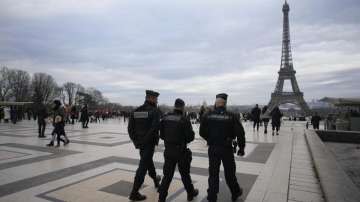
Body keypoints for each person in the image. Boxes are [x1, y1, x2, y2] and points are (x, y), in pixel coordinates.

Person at [200, 93, 246, 202]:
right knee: (230, 173)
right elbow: (240, 133)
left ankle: (212, 197)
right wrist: (241, 148)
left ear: (216, 102)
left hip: (213, 148)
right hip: (226, 148)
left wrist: (209, 139)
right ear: (225, 103)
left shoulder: (208, 115)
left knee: (213, 174)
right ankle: (235, 193)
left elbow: (201, 132)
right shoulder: (232, 116)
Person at [158, 98, 199, 202]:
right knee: (185, 175)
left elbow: (161, 135)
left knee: (167, 177)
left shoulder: (165, 118)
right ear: (182, 107)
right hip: (181, 151)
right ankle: (190, 194)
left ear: (174, 106)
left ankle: (161, 198)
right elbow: (190, 137)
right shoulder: (184, 119)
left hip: (169, 150)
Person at [128, 90, 162, 201]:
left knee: (148, 162)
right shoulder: (155, 111)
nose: (157, 101)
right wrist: (145, 142)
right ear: (151, 98)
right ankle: (134, 192)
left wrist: (137, 142)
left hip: (141, 143)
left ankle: (156, 180)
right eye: (156, 99)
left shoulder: (136, 111)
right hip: (148, 143)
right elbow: (154, 129)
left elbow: (130, 129)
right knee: (142, 167)